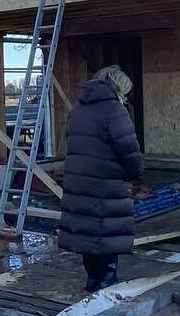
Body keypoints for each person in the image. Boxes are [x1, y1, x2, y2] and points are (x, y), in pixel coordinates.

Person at [58, 64, 143, 291]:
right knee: (106, 238)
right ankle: (106, 286)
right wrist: (137, 174)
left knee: (89, 237)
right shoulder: (114, 110)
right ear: (118, 88)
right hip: (106, 184)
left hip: (79, 181)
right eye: (125, 93)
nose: (125, 98)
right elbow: (128, 149)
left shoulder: (78, 108)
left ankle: (92, 283)